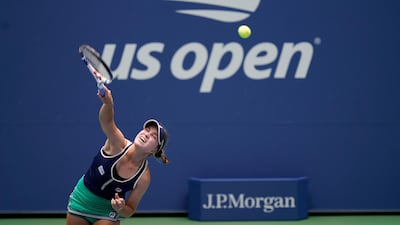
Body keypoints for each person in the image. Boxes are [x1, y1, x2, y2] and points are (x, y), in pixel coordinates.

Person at [66, 86, 169, 225]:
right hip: (82, 198)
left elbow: (130, 209)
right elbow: (107, 122)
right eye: (147, 130)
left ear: (154, 150)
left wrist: (121, 208)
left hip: (107, 210)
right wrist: (108, 104)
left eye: (153, 136)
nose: (146, 134)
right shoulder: (118, 144)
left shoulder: (144, 177)